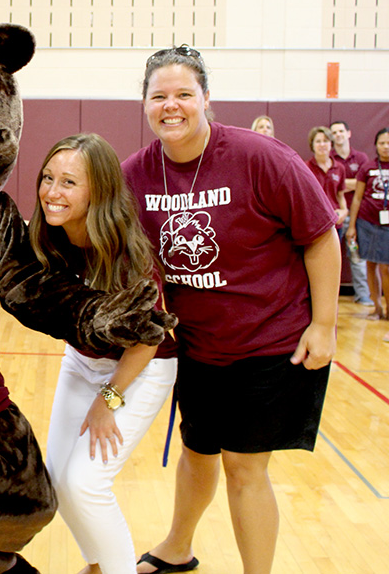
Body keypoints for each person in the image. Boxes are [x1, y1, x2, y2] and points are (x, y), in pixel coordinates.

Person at [123, 45, 341, 574]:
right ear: (144, 104)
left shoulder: (260, 157)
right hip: (197, 345)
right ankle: (177, 547)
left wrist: (325, 324)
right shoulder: (135, 173)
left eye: (183, 94)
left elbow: (321, 236)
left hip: (270, 340)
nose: (170, 106)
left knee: (245, 466)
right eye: (159, 96)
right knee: (197, 452)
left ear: (206, 99)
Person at [32, 134, 178, 574]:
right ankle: (98, 565)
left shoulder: (127, 252)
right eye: (47, 178)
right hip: (82, 360)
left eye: (69, 183)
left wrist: (108, 400)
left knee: (86, 484)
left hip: (142, 367)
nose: (52, 193)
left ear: (98, 191)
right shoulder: (50, 237)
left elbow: (148, 339)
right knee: (57, 480)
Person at [331, 120, 376, 306]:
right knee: (329, 258)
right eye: (334, 132)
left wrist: (346, 183)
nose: (338, 135)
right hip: (333, 216)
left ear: (348, 133)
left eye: (341, 131)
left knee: (357, 257)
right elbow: (355, 184)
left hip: (356, 216)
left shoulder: (361, 158)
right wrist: (353, 183)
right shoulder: (329, 158)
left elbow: (363, 186)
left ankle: (363, 295)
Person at [347, 127, 389, 323]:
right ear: (376, 145)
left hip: (387, 226)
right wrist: (352, 226)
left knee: (386, 268)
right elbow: (357, 198)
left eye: (388, 143)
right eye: (382, 143)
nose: (386, 147)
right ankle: (377, 308)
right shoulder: (368, 167)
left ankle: (388, 308)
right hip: (368, 222)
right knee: (370, 265)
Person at [306, 126, 349, 229]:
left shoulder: (340, 168)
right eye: (318, 141)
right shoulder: (305, 168)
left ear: (331, 144)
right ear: (312, 145)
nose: (322, 145)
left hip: (335, 221)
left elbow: (340, 195)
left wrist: (344, 211)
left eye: (325, 141)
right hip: (314, 223)